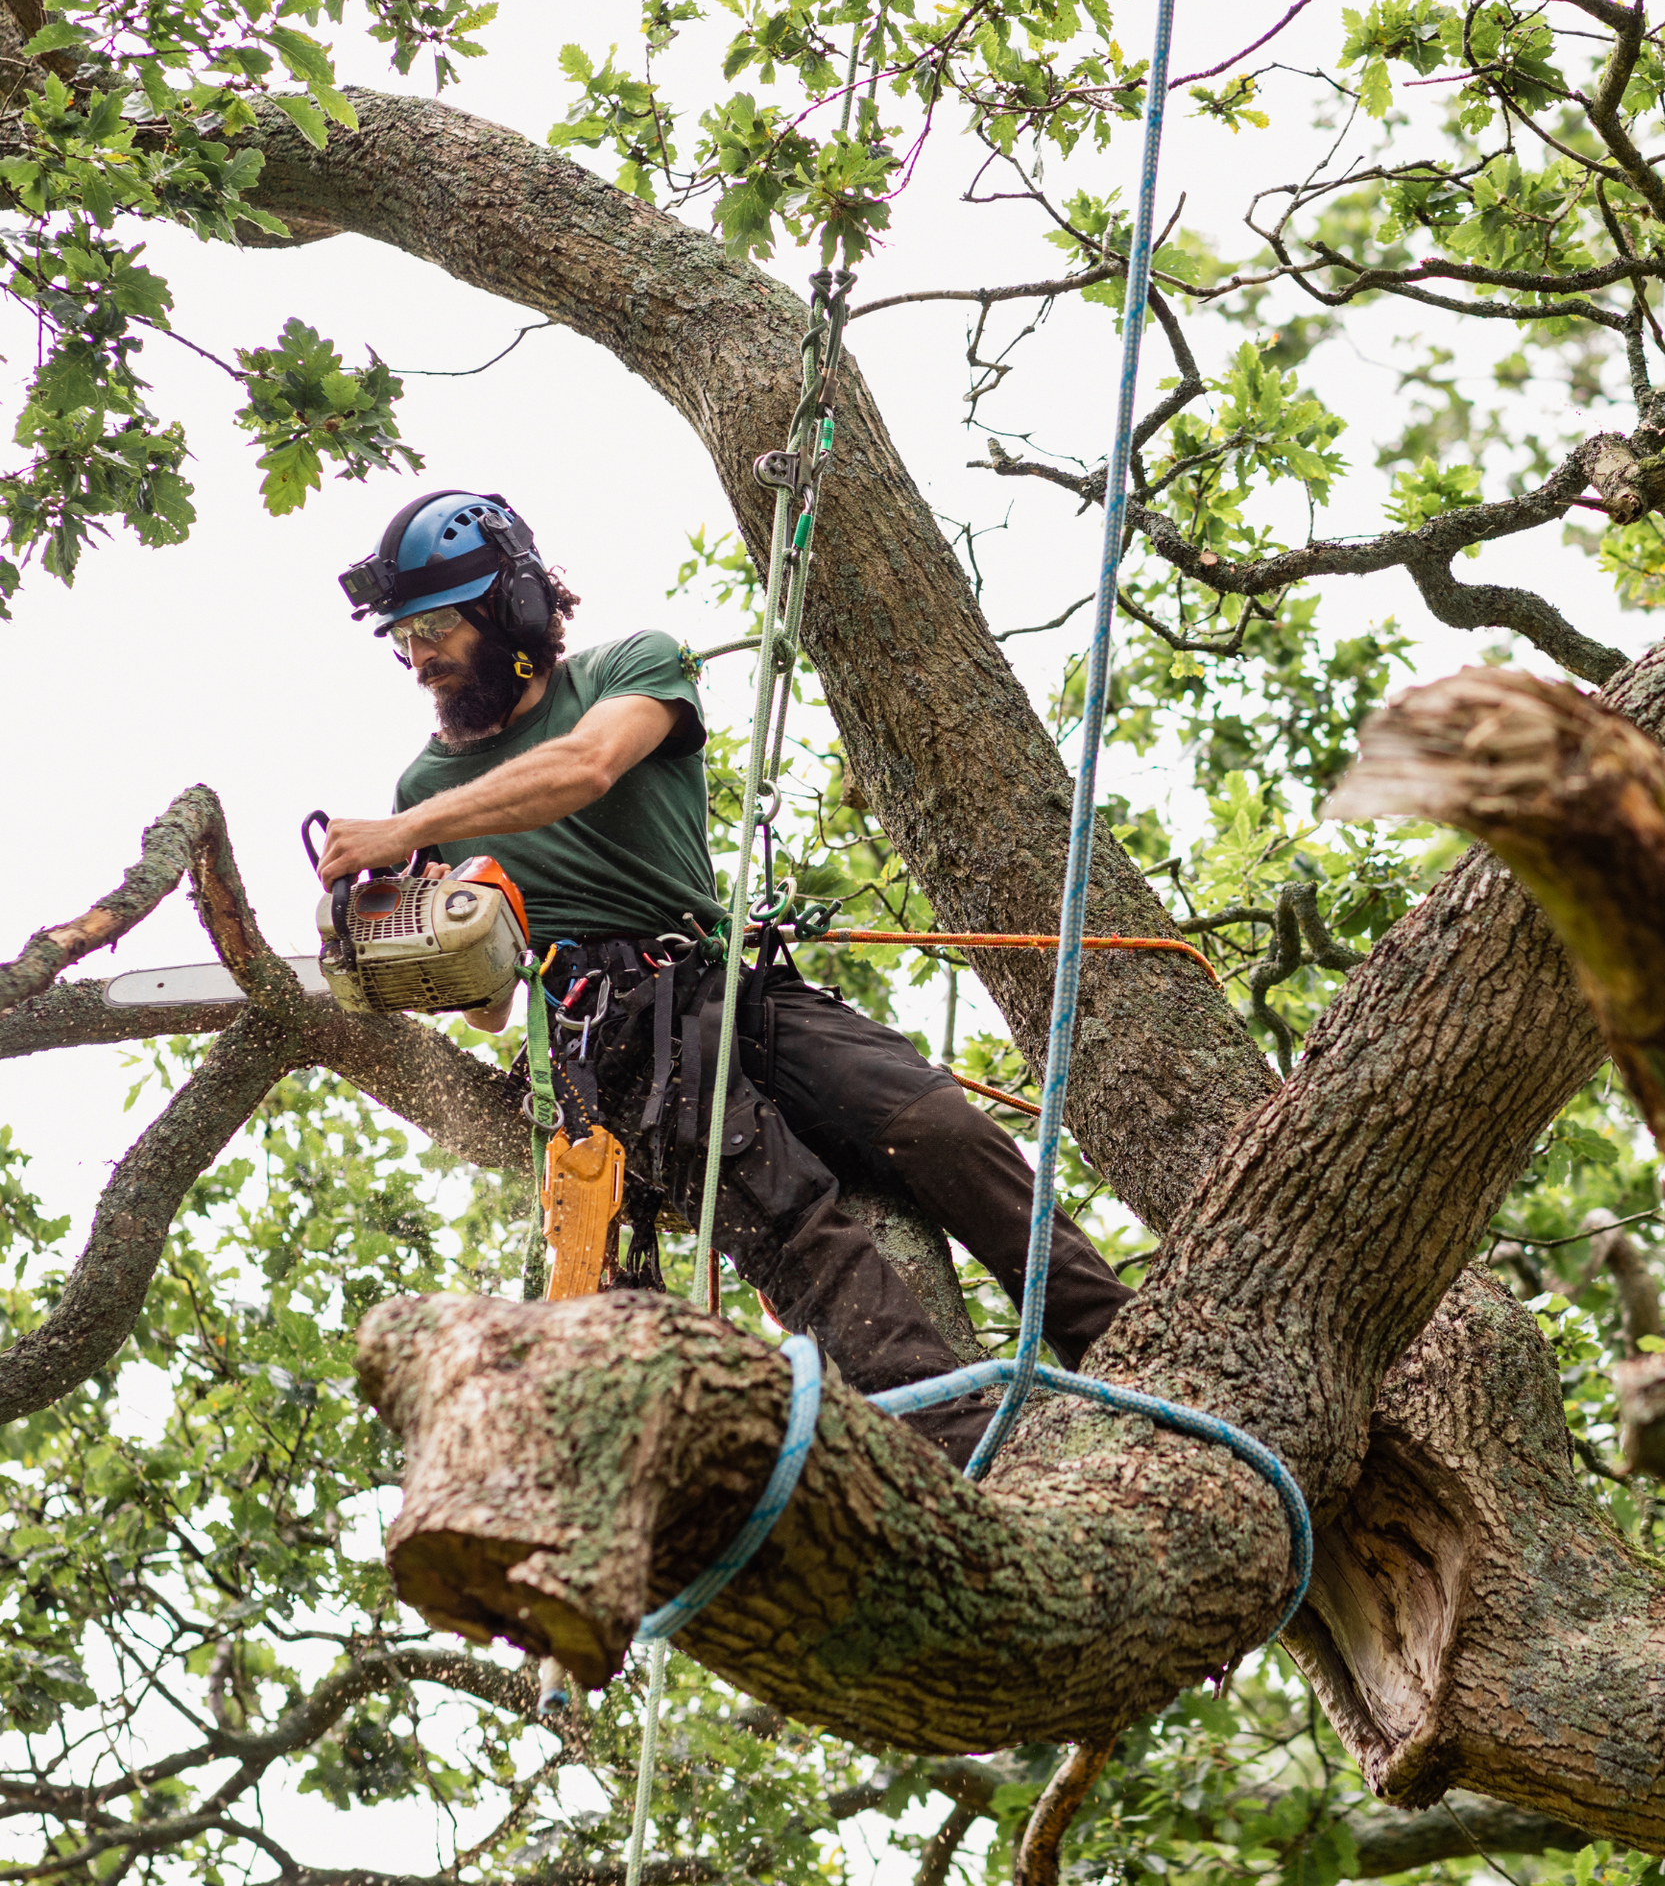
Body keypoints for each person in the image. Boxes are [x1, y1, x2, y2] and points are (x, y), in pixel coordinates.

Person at [317, 489, 1130, 1464]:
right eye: (404, 637)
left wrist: (407, 833)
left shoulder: (633, 668)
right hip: (613, 1037)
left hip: (722, 984)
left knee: (937, 1124)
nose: (420, 657)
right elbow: (493, 1009)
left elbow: (584, 769)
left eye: (438, 626)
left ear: (517, 610)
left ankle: (1127, 1353)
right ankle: (968, 1453)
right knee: (792, 1216)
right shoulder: (428, 788)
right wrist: (420, 941)